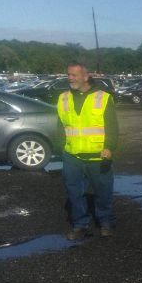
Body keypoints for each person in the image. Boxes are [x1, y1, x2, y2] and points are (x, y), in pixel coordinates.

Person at [56, 62, 119, 239]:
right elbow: (60, 125)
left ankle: (105, 222)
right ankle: (79, 225)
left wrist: (109, 147)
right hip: (72, 156)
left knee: (103, 192)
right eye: (68, 74)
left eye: (74, 75)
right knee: (74, 192)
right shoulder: (63, 98)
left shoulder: (103, 97)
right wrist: (59, 145)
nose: (70, 78)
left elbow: (112, 126)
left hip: (98, 156)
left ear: (86, 76)